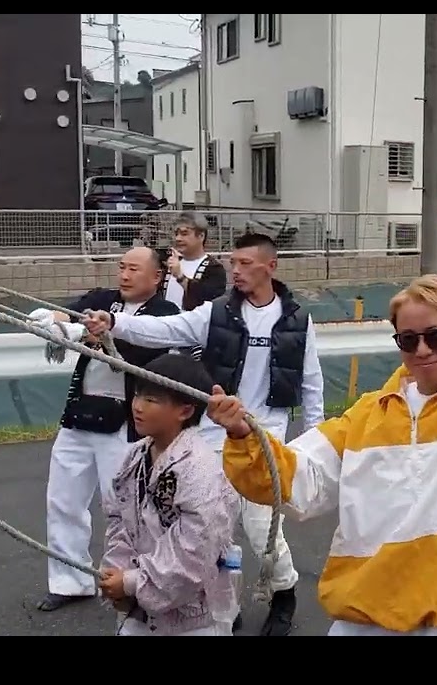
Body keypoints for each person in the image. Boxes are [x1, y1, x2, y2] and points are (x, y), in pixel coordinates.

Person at [204, 114, 437, 636]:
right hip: (361, 620)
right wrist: (244, 436)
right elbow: (298, 485)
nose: (421, 350)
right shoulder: (365, 417)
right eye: (407, 340)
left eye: (435, 336)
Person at [81, 232, 322, 636]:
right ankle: (218, 601)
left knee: (263, 527)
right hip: (213, 435)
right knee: (208, 526)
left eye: (246, 264)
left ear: (271, 267)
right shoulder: (216, 312)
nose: (237, 271)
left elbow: (311, 380)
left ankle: (284, 591)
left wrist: (312, 440)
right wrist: (117, 323)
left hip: (265, 434)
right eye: (233, 263)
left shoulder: (297, 319)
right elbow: (167, 329)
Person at [27, 246, 182, 612]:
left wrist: (99, 336)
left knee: (124, 506)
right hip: (81, 414)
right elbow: (66, 314)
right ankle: (69, 580)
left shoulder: (164, 314)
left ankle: (131, 579)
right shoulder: (102, 300)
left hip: (125, 423)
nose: (124, 275)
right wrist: (57, 321)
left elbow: (147, 359)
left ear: (157, 277)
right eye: (121, 267)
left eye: (134, 269)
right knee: (63, 500)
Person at [98, 352, 242, 635]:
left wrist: (130, 582)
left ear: (185, 411)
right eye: (138, 395)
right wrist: (117, 572)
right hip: (138, 608)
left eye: (151, 400)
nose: (137, 406)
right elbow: (118, 520)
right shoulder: (134, 457)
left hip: (191, 619)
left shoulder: (201, 471)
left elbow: (193, 553)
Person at [164, 213, 227, 314]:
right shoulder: (169, 264)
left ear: (201, 236)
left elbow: (207, 300)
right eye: (177, 234)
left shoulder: (214, 268)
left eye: (184, 234)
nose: (178, 239)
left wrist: (180, 276)